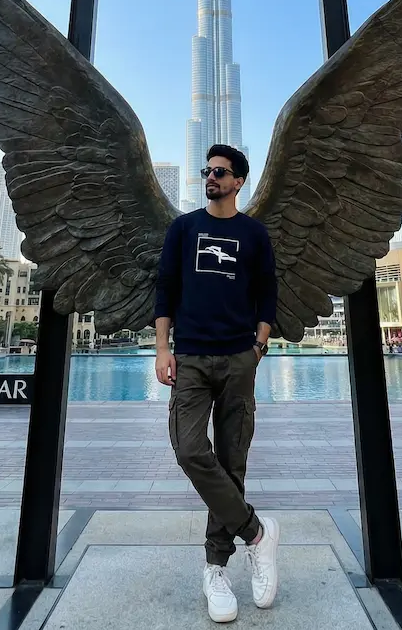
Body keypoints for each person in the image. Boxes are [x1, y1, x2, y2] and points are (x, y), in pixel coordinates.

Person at [154, 144, 280, 624]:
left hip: (237, 359)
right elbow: (165, 287)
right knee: (188, 448)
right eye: (207, 170)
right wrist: (163, 348)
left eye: (221, 172)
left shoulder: (253, 233)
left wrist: (259, 345)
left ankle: (216, 570)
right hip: (189, 358)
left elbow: (268, 291)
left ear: (239, 181)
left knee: (232, 461)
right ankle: (256, 533)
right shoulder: (183, 228)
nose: (211, 177)